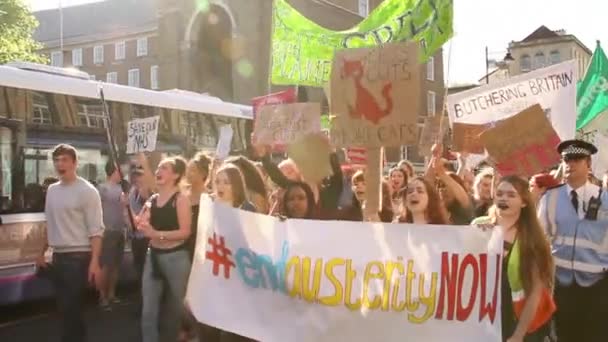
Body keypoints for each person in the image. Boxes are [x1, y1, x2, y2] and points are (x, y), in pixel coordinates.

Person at [537, 139, 608, 342]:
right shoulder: (549, 198)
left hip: (598, 286)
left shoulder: (606, 199)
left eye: (576, 159)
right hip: (561, 285)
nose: (570, 164)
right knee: (565, 335)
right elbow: (540, 238)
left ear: (589, 164)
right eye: (566, 159)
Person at [35, 144, 104, 342]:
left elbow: (96, 230)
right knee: (65, 309)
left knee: (71, 307)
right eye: (56, 160)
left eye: (64, 160)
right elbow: (49, 223)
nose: (59, 164)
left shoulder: (87, 191)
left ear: (75, 163)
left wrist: (95, 262)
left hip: (78, 257)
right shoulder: (52, 190)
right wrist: (41, 252)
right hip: (58, 256)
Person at [474, 176, 555, 341]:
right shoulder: (477, 225)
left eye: (511, 195)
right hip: (481, 316)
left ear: (524, 202)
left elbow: (534, 293)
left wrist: (519, 334)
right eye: (500, 194)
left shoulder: (533, 239)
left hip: (515, 319)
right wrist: (475, 236)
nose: (504, 198)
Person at [137, 157, 192, 342]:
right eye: (158, 167)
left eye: (165, 168)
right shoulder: (152, 199)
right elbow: (139, 224)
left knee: (179, 308)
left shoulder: (181, 200)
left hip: (176, 258)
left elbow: (185, 232)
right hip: (153, 257)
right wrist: (129, 213)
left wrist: (157, 234)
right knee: (148, 310)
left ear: (176, 175)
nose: (159, 171)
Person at [97, 161, 128, 311]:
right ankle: (102, 296)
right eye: (119, 170)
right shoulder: (102, 188)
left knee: (116, 265)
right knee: (105, 266)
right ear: (113, 171)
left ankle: (111, 294)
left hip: (120, 231)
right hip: (107, 230)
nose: (122, 172)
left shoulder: (124, 188)